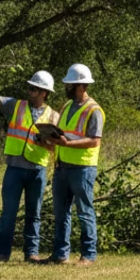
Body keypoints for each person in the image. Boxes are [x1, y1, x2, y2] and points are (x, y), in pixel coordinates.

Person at [0, 65, 59, 263]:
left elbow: (56, 147)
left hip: (37, 171)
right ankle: (2, 253)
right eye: (30, 87)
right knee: (8, 214)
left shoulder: (54, 117)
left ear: (45, 93)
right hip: (14, 169)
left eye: (34, 88)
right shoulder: (16, 106)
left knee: (33, 214)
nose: (30, 91)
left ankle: (31, 254)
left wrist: (46, 143)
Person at [40, 63, 103, 265]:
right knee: (61, 214)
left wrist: (68, 144)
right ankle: (60, 255)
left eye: (70, 84)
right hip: (62, 167)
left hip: (83, 169)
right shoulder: (66, 106)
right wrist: (48, 140)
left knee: (85, 212)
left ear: (82, 86)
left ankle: (88, 255)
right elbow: (62, 134)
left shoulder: (94, 110)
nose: (66, 87)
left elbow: (94, 141)